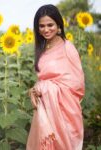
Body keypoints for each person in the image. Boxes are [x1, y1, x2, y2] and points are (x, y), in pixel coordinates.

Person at [26, 4, 85, 150]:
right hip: (45, 110)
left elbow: (77, 84)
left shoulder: (67, 48)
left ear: (58, 24)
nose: (46, 29)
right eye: (41, 26)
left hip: (65, 114)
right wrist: (35, 89)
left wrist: (45, 88)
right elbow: (43, 78)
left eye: (50, 25)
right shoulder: (42, 49)